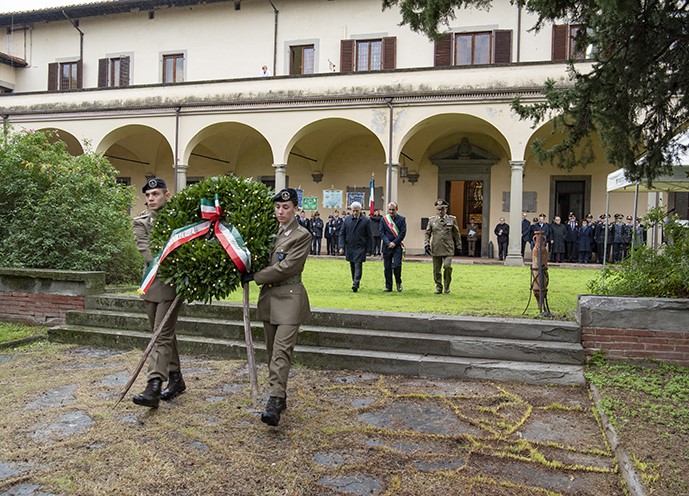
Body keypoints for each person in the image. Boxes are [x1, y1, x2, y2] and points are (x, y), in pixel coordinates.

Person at [242, 188, 311, 426]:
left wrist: (255, 276)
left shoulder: (302, 235)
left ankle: (274, 401)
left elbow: (287, 267)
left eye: (286, 207)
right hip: (269, 298)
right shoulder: (269, 233)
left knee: (281, 351)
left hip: (290, 298)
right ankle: (280, 394)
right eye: (278, 208)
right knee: (272, 351)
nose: (281, 212)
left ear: (295, 209)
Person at [132, 178, 185, 408]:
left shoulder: (179, 221)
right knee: (163, 332)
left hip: (171, 284)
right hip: (152, 282)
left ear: (166, 195)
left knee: (160, 334)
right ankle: (176, 379)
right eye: (148, 195)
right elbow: (146, 252)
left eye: (155, 194)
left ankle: (153, 386)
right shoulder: (141, 222)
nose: (151, 199)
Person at [424, 199, 461, 294]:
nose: (440, 211)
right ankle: (438, 286)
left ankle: (447, 285)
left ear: (446, 209)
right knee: (436, 270)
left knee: (447, 266)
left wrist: (459, 245)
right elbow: (427, 233)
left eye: (442, 209)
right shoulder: (432, 220)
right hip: (436, 247)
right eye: (438, 209)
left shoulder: (452, 219)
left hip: (448, 247)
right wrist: (426, 244)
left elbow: (457, 233)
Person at [338, 201, 373, 292]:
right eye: (353, 211)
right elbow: (342, 233)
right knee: (352, 265)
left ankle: (356, 283)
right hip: (350, 246)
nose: (355, 213)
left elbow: (370, 236)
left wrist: (369, 249)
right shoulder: (347, 220)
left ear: (360, 210)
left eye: (357, 211)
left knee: (358, 264)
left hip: (361, 246)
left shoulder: (366, 220)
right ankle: (354, 280)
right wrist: (341, 246)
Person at [379, 202, 406, 292]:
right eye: (389, 209)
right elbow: (381, 233)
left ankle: (398, 282)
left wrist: (394, 243)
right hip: (387, 247)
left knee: (397, 265)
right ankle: (388, 286)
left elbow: (402, 233)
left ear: (396, 210)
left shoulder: (402, 219)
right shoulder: (384, 219)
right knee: (387, 267)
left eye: (393, 210)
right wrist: (388, 242)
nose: (391, 211)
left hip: (397, 246)